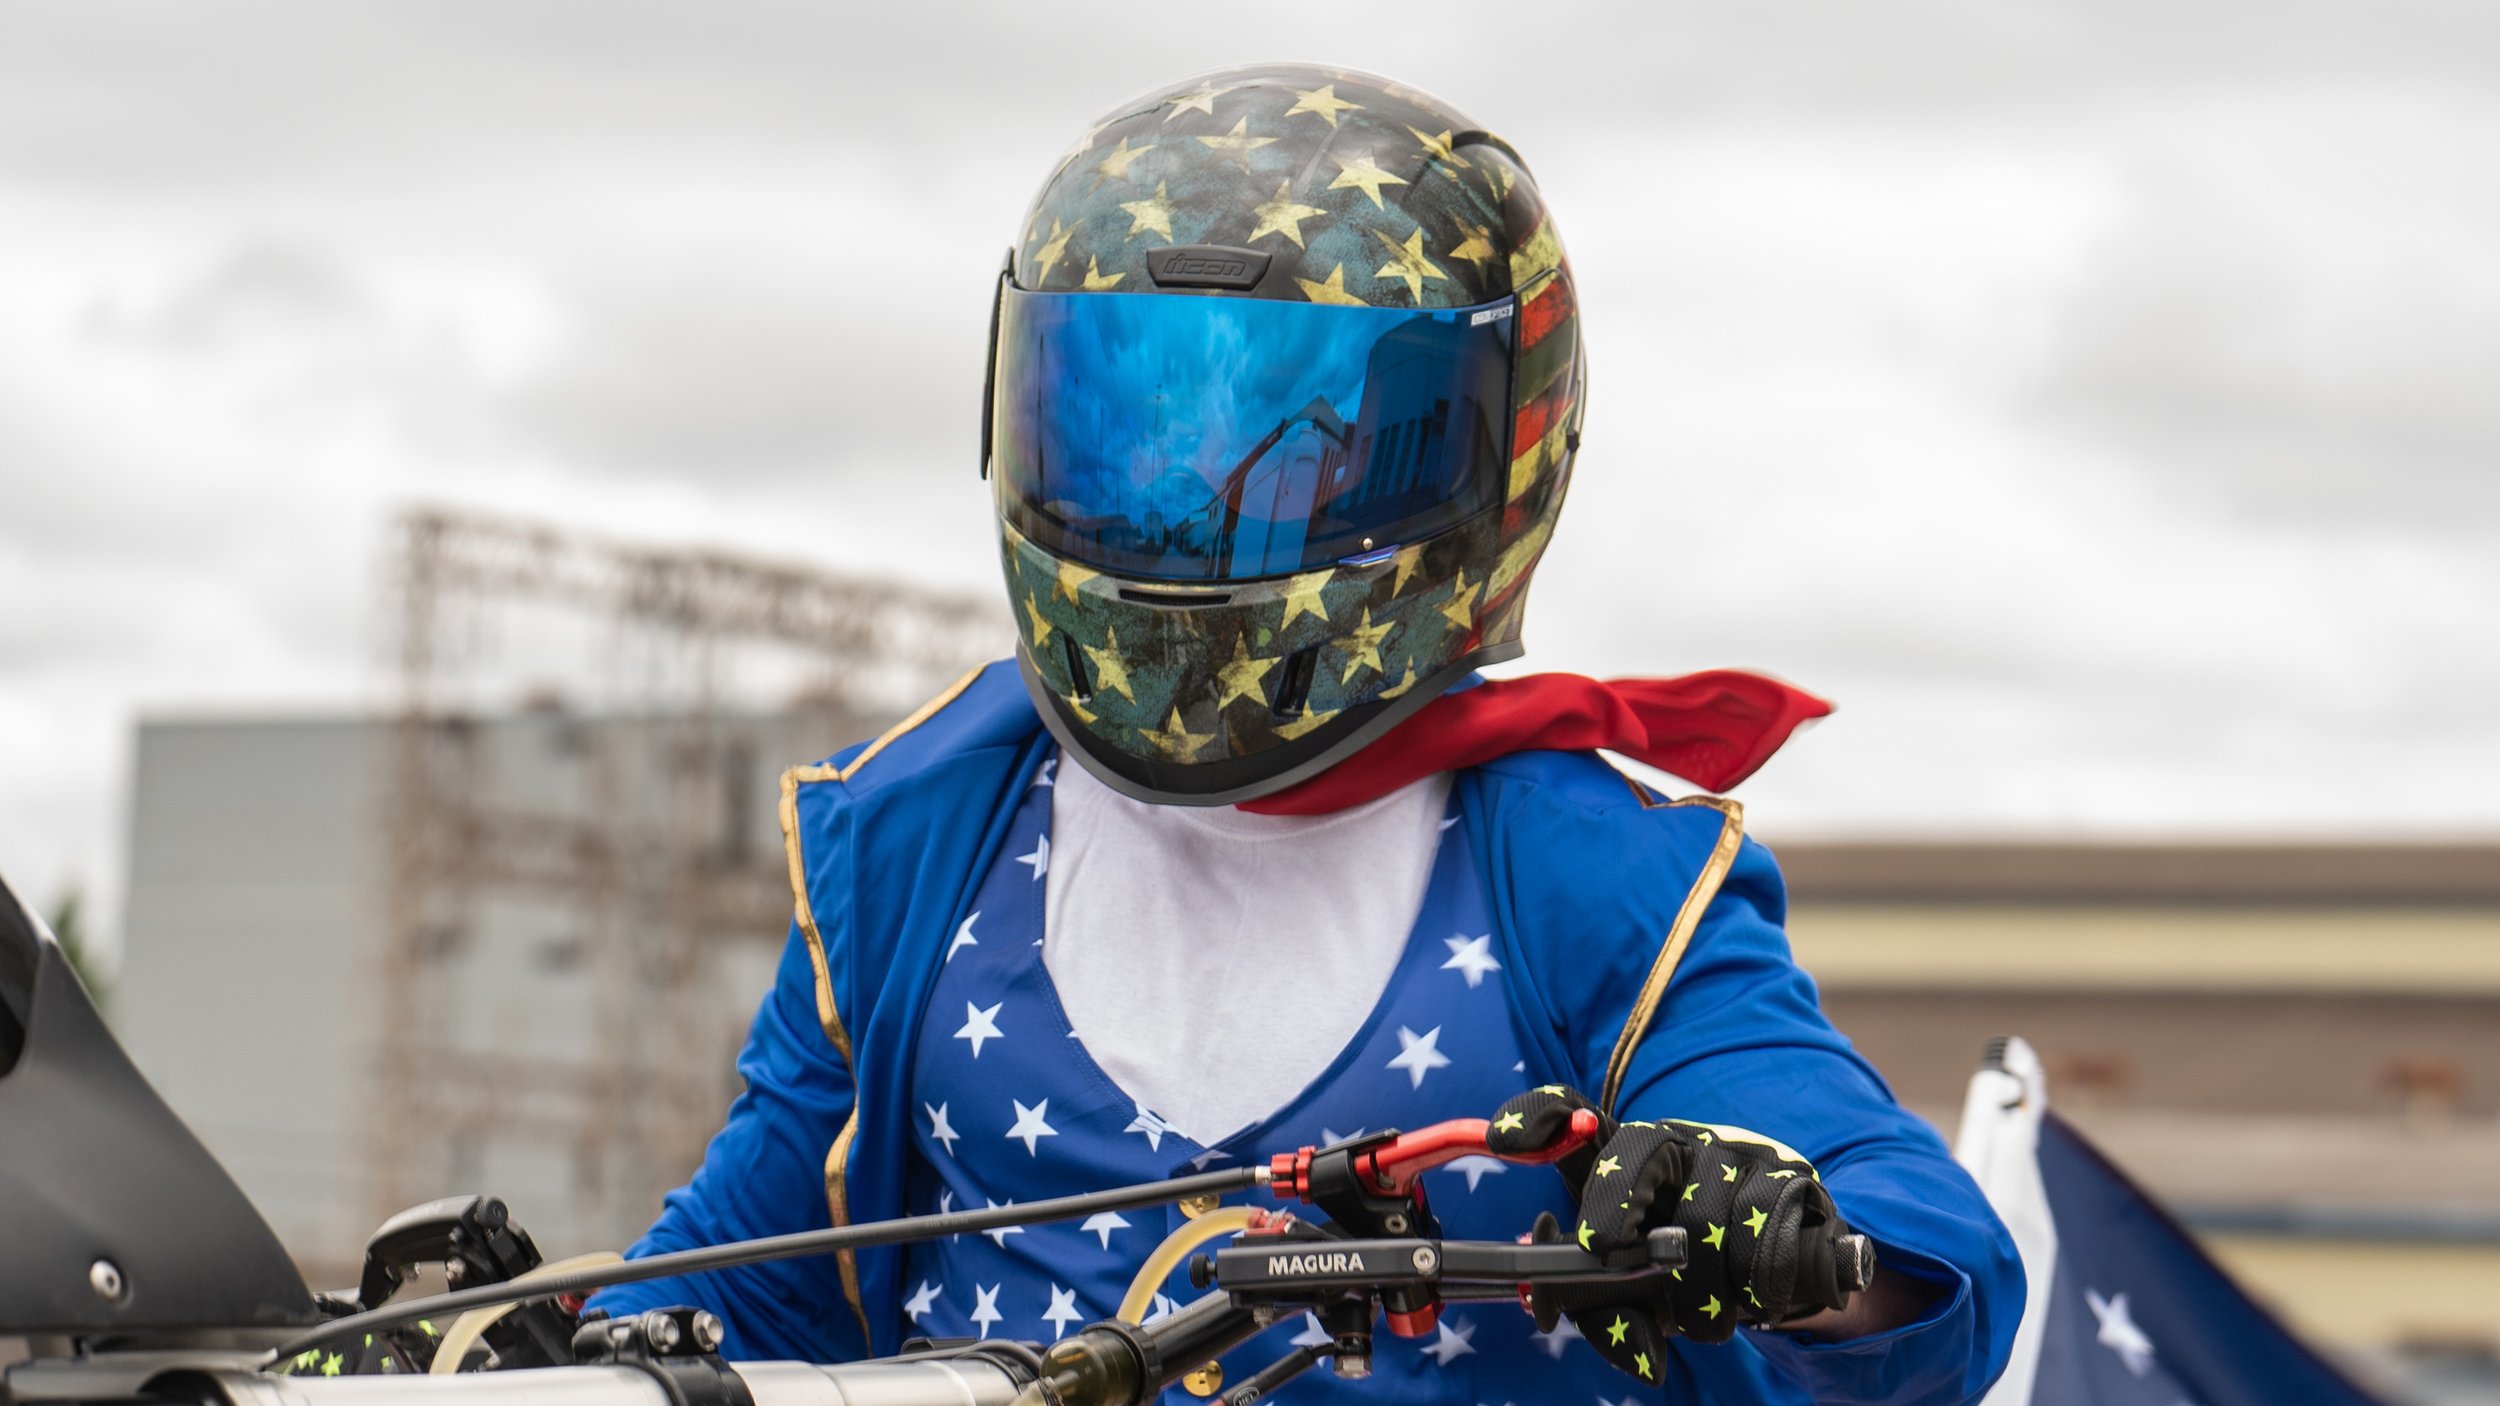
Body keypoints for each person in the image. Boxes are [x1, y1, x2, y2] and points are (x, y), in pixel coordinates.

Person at [589, 62, 2023, 1405]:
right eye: (1127, 435)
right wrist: (545, 1354)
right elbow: (744, 1283)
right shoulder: (918, 828)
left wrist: (1781, 1230)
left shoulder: (1591, 875)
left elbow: (1929, 1258)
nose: (1190, 506)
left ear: (1495, 448)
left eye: (1276, 449)